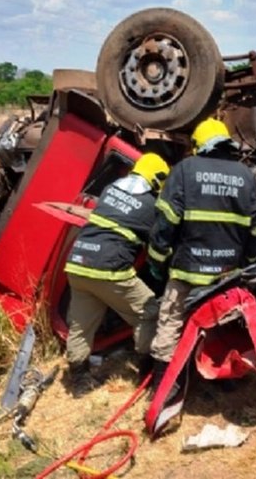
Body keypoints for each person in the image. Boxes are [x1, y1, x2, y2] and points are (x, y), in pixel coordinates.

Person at [146, 117, 256, 397]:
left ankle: (165, 388)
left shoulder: (185, 169)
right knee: (220, 325)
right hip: (226, 276)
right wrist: (247, 262)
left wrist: (157, 262)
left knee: (170, 325)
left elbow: (165, 222)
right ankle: (223, 377)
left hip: (186, 271)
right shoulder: (246, 176)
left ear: (199, 144)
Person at [63, 152, 170, 398]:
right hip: (108, 268)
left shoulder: (111, 189)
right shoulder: (150, 205)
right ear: (157, 179)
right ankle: (147, 370)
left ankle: (79, 380)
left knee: (82, 324)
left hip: (78, 263)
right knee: (149, 312)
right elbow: (158, 243)